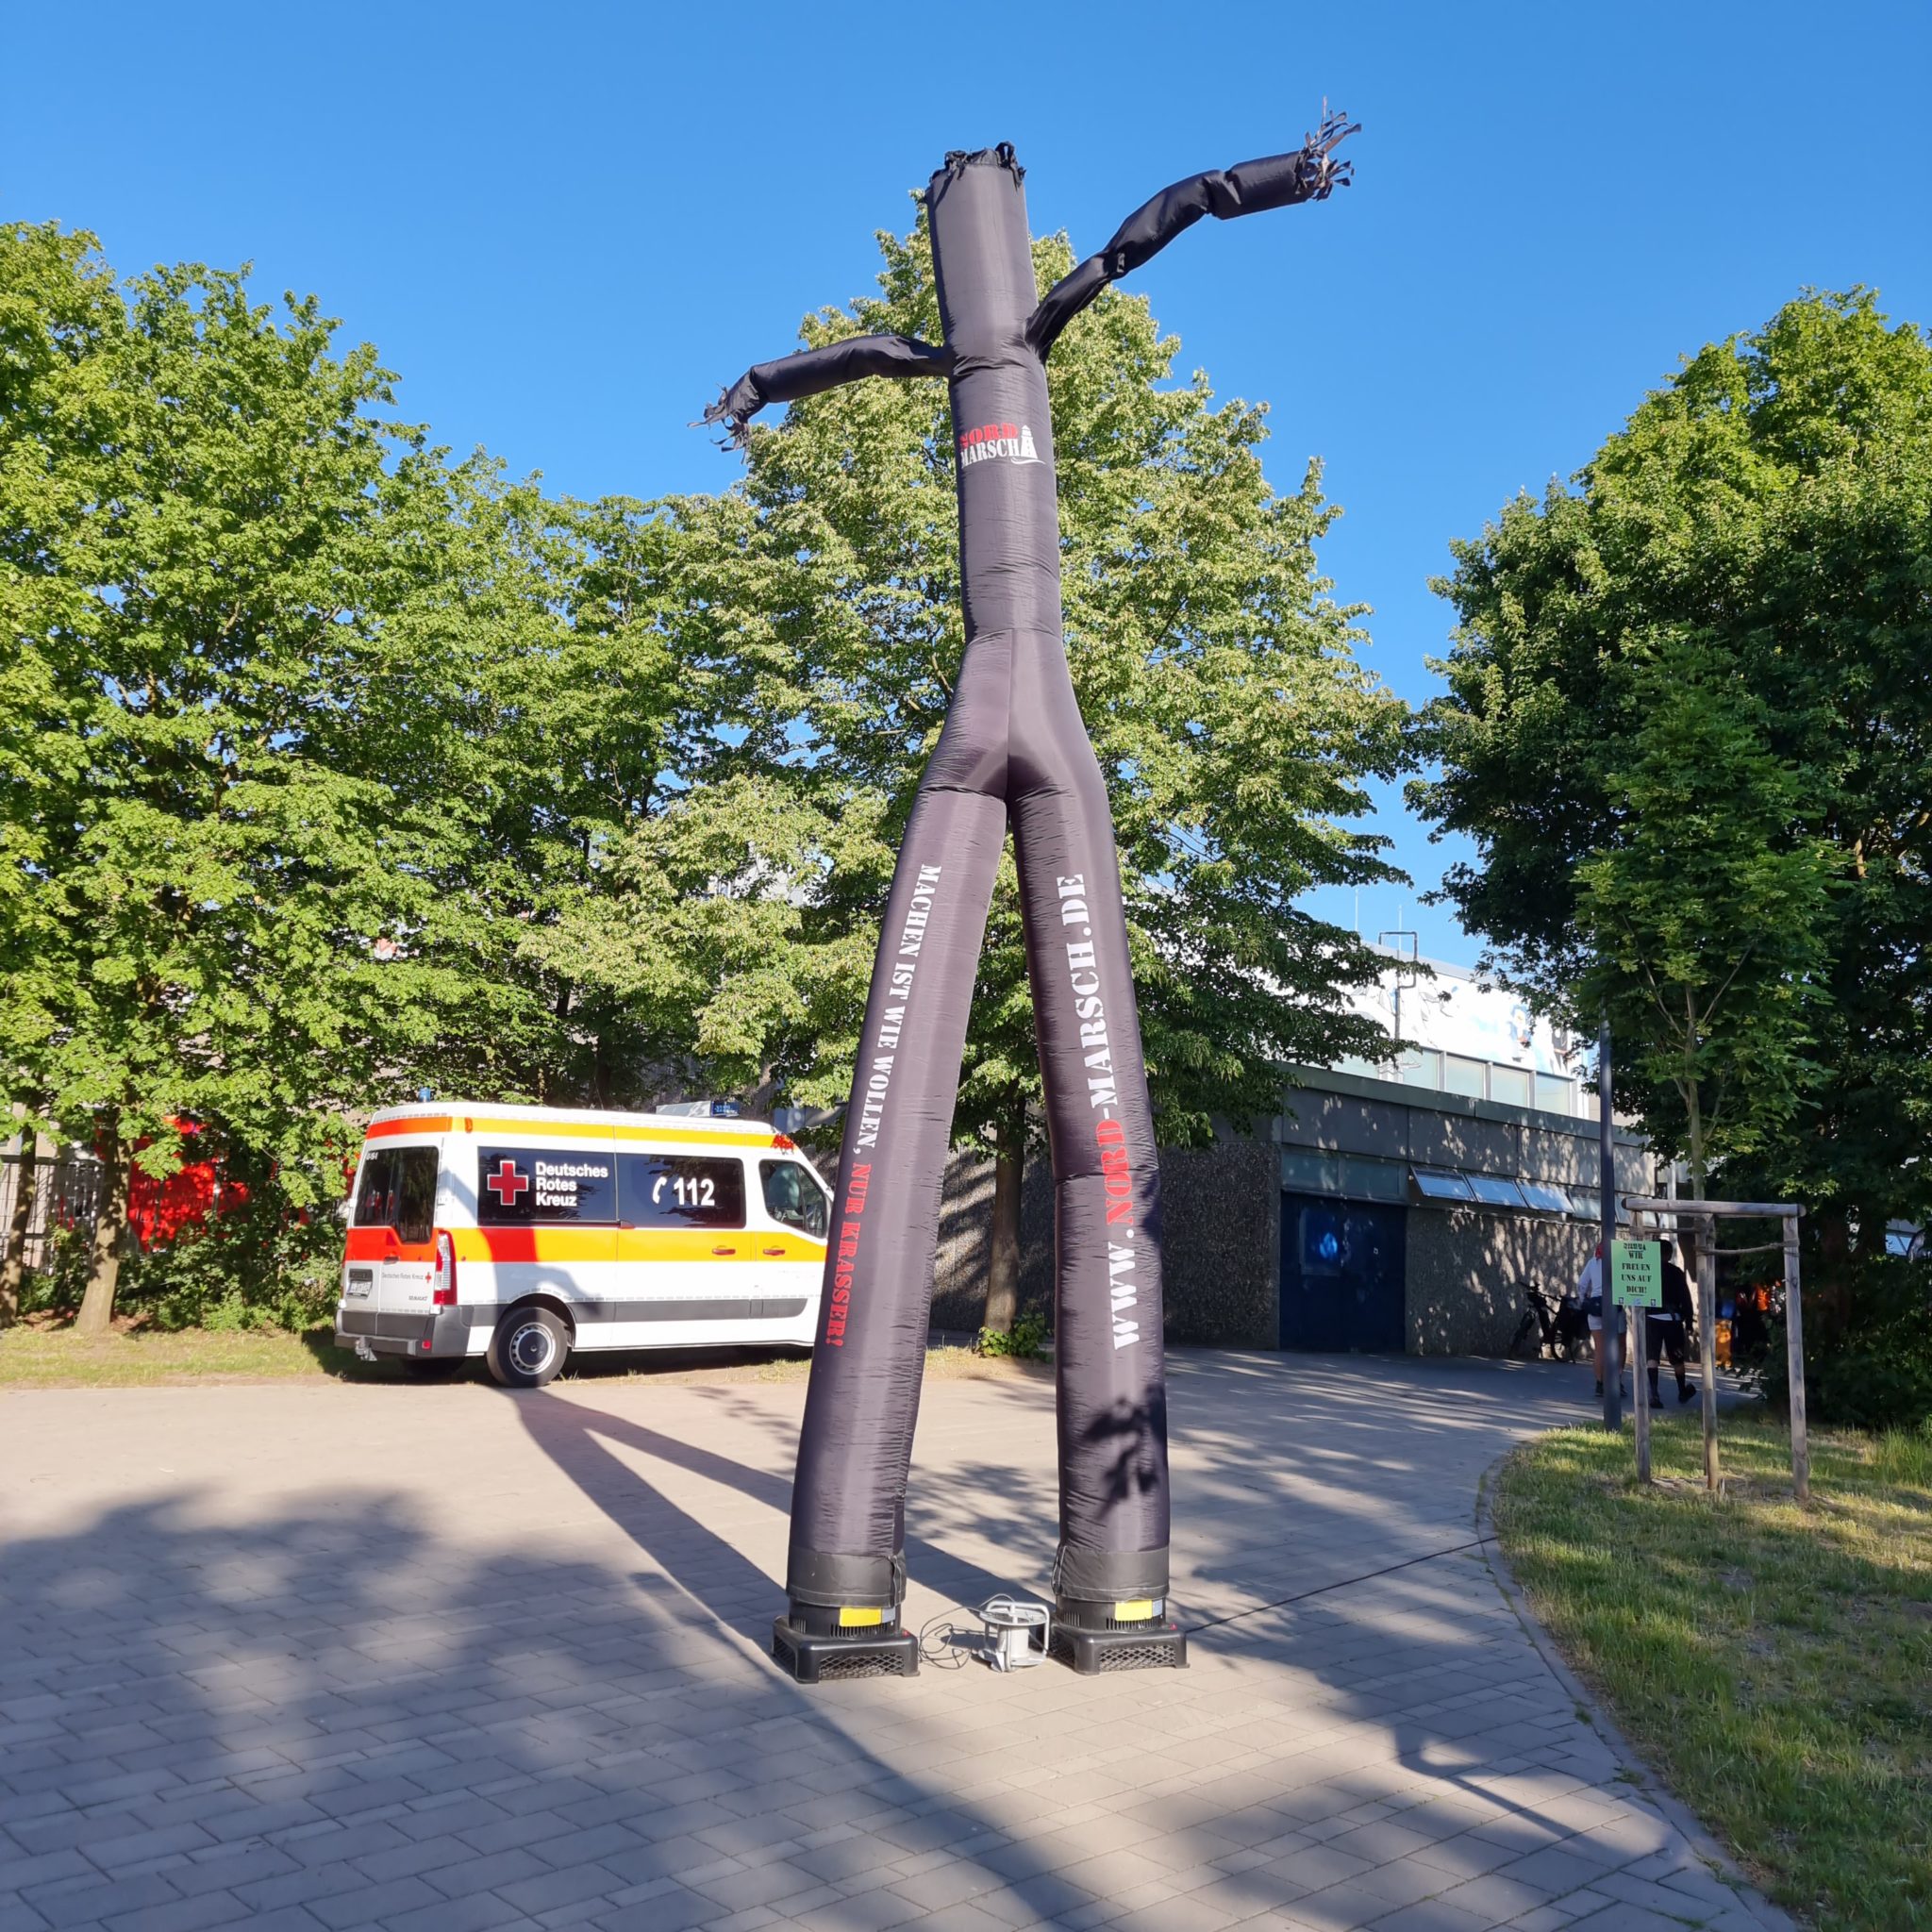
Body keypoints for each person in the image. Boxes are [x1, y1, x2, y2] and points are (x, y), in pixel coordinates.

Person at [1570, 1241, 1624, 1399]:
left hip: (1595, 1308)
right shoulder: (1619, 1262)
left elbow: (1581, 1285)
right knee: (1620, 1345)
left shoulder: (1592, 1263)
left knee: (1600, 1349)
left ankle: (1600, 1384)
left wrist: (1584, 1301)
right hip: (1615, 1306)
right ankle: (1617, 1381)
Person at [1646, 1236, 1697, 1405]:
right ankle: (1682, 1391)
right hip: (1673, 1320)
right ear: (1669, 1254)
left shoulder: (1647, 1271)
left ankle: (1654, 1394)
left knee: (1652, 1357)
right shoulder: (1676, 1273)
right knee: (1677, 1357)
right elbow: (1686, 1299)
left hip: (1651, 1319)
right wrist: (1689, 1322)